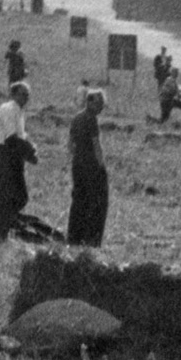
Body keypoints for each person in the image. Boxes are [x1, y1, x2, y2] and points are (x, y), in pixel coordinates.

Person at [0, 82, 35, 240]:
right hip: (4, 154)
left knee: (16, 196)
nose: (25, 98)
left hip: (13, 155)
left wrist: (29, 148)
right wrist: (29, 151)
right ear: (13, 94)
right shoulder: (9, 109)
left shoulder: (19, 111)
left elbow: (19, 136)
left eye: (27, 95)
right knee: (7, 195)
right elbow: (11, 139)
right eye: (22, 94)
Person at [66, 88, 110, 247]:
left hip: (77, 165)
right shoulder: (91, 119)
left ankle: (74, 237)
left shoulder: (76, 117)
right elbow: (96, 145)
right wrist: (102, 166)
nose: (101, 107)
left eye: (102, 104)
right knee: (96, 203)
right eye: (99, 103)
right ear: (90, 102)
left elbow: (70, 144)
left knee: (78, 201)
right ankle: (91, 239)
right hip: (91, 166)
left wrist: (75, 159)